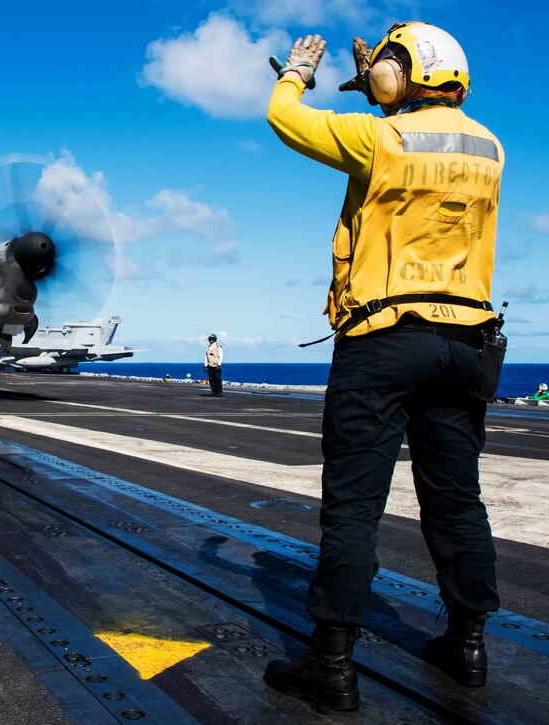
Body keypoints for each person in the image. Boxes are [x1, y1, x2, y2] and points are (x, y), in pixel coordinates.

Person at [263, 24, 503, 711]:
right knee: (458, 500)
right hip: (466, 345)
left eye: (386, 68)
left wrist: (299, 72)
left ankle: (332, 664)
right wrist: (385, 87)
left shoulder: (381, 140)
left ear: (402, 78)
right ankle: (467, 643)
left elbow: (286, 119)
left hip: (385, 339)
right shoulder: (489, 146)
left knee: (354, 506)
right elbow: (417, 147)